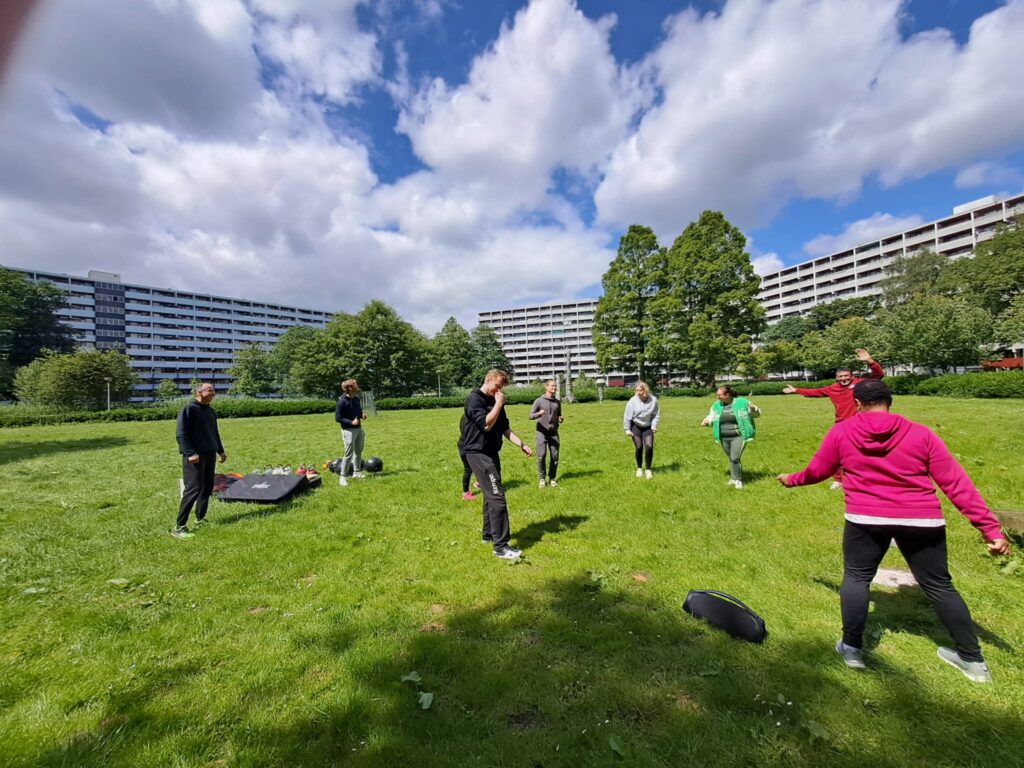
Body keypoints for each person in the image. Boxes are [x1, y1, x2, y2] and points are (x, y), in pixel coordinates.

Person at [777, 379, 1010, 682]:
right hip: (922, 520)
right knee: (940, 586)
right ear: (890, 402)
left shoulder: (842, 431)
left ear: (857, 404)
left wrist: (791, 479)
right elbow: (956, 483)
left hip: (865, 518)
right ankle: (973, 662)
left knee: (857, 578)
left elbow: (818, 471)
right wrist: (989, 528)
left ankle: (851, 649)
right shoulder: (921, 433)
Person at [782, 348, 883, 489]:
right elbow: (815, 392)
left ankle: (871, 476)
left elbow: (878, 375)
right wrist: (796, 390)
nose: (844, 379)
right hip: (841, 424)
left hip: (860, 424)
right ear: (837, 378)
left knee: (866, 450)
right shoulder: (832, 388)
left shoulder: (859, 383)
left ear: (851, 375)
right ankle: (838, 480)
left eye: (846, 376)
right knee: (837, 451)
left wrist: (869, 360)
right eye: (841, 376)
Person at [461, 369, 533, 560]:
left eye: (501, 388)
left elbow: (504, 428)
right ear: (489, 379)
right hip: (478, 454)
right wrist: (499, 404)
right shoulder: (474, 400)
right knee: (497, 498)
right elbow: (486, 424)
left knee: (489, 495)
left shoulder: (496, 401)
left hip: (491, 453)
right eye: (497, 386)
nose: (499, 391)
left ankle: (489, 535)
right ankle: (500, 547)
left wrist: (522, 444)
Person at [174, 382, 226, 539]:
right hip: (194, 457)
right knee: (193, 489)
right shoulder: (188, 409)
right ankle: (179, 527)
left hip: (209, 454)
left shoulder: (210, 411)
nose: (213, 394)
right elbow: (181, 434)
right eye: (210, 391)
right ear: (199, 392)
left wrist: (221, 450)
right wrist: (190, 453)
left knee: (207, 487)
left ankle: (200, 518)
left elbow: (214, 433)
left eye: (214, 391)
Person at [701, 386, 760, 488]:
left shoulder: (742, 402)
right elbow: (712, 416)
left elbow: (756, 414)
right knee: (731, 458)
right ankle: (733, 479)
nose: (717, 397)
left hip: (738, 436)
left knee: (735, 458)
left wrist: (754, 409)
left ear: (727, 395)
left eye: (719, 395)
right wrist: (707, 421)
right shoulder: (716, 405)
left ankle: (737, 480)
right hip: (723, 436)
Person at [529, 379, 564, 488]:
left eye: (555, 386)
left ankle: (552, 478)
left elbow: (558, 415)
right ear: (546, 387)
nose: (555, 388)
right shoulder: (539, 401)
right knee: (541, 455)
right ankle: (542, 478)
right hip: (541, 432)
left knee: (555, 457)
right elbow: (530, 416)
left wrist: (560, 419)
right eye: (552, 386)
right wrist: (538, 414)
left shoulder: (557, 402)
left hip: (553, 432)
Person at [623, 381, 659, 479]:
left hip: (648, 427)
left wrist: (654, 425)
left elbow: (656, 415)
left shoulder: (653, 400)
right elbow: (627, 416)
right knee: (639, 447)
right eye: (637, 390)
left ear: (645, 390)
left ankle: (648, 470)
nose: (639, 392)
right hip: (636, 426)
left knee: (649, 446)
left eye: (641, 390)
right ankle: (639, 468)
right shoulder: (632, 401)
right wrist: (627, 429)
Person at [335, 378, 366, 487]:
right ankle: (343, 477)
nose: (357, 387)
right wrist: (351, 422)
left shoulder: (356, 399)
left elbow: (358, 411)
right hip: (348, 430)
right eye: (355, 386)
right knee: (348, 454)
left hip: (359, 429)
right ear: (349, 388)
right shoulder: (342, 401)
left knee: (359, 451)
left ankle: (356, 472)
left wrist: (362, 415)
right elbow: (338, 418)